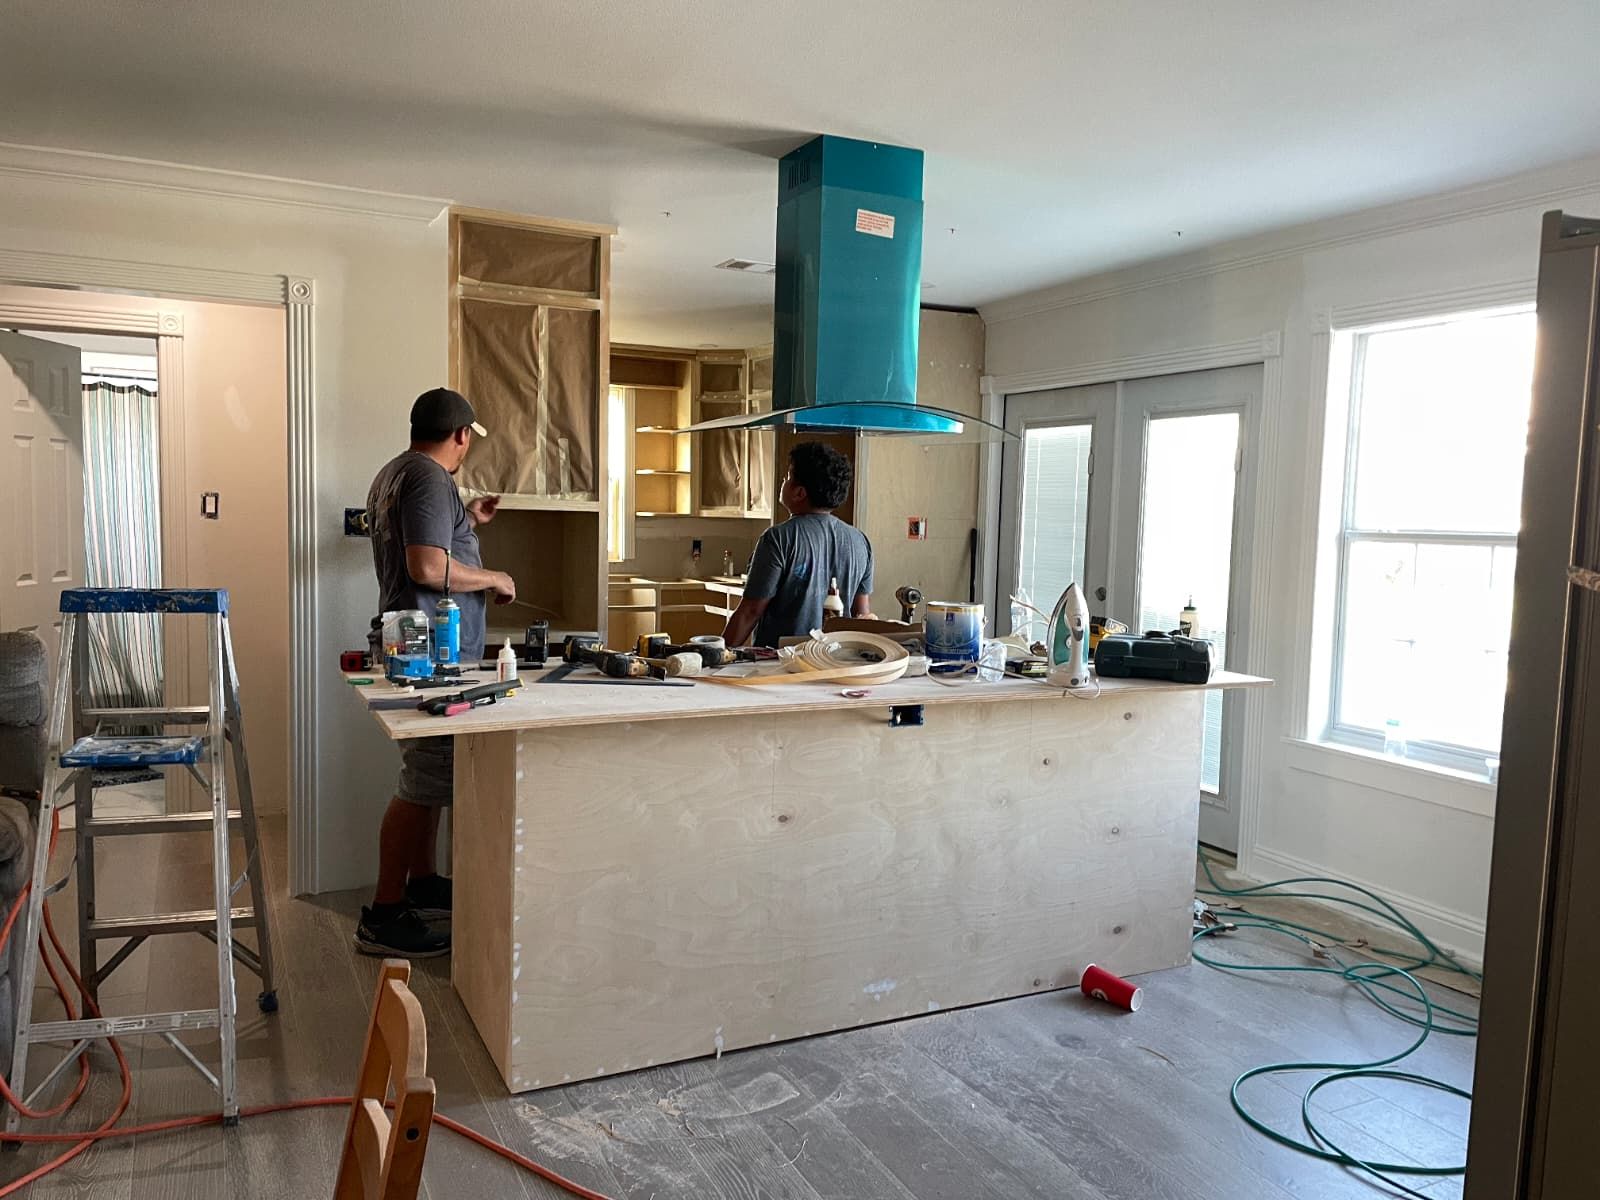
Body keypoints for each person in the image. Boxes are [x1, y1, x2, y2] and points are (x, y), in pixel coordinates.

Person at [359, 387, 516, 957]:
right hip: (430, 655)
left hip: (418, 647)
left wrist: (467, 521)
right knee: (423, 780)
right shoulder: (428, 477)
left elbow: (428, 547)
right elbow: (426, 566)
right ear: (461, 435)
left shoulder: (396, 473)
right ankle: (383, 914)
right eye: (469, 437)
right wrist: (494, 577)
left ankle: (421, 883)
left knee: (428, 779)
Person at [723, 441, 873, 647]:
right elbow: (861, 616)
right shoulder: (860, 541)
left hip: (780, 661)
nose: (783, 482)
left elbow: (751, 611)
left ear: (799, 493)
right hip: (836, 660)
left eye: (787, 477)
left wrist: (717, 656)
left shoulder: (778, 538)